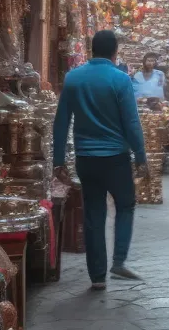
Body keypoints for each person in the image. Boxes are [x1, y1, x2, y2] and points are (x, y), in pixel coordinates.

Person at [53, 30, 148, 288]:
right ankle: (118, 261)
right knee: (125, 205)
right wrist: (140, 155)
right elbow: (131, 122)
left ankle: (97, 276)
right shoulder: (120, 80)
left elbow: (61, 123)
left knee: (94, 214)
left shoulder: (73, 79)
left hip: (86, 159)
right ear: (115, 51)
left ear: (92, 49)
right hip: (116, 157)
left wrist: (58, 161)